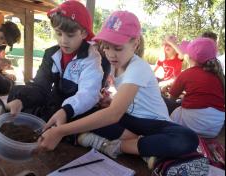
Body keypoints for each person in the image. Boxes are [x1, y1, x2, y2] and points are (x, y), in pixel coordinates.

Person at [37, 11, 199, 170]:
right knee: (85, 112)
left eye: (118, 48)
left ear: (135, 43)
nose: (111, 54)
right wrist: (112, 102)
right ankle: (145, 147)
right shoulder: (115, 67)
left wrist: (60, 131)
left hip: (153, 123)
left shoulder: (138, 67)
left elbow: (114, 114)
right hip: (129, 119)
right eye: (106, 47)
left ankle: (115, 146)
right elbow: (122, 105)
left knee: (188, 138)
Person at [7, 1, 104, 124]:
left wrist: (66, 111)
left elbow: (88, 94)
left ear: (84, 33)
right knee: (17, 94)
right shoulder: (51, 54)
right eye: (59, 33)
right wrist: (22, 101)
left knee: (90, 119)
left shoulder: (91, 59)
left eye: (70, 35)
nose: (63, 41)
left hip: (76, 107)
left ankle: (70, 133)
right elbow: (40, 86)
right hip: (56, 101)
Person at [169, 37, 225, 138]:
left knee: (172, 108)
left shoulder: (186, 74)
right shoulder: (219, 75)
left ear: (190, 57)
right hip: (215, 127)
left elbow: (172, 98)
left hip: (192, 123)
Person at [0, 21, 21, 95]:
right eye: (1, 38)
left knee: (5, 86)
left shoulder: (1, 45)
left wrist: (2, 68)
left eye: (4, 42)